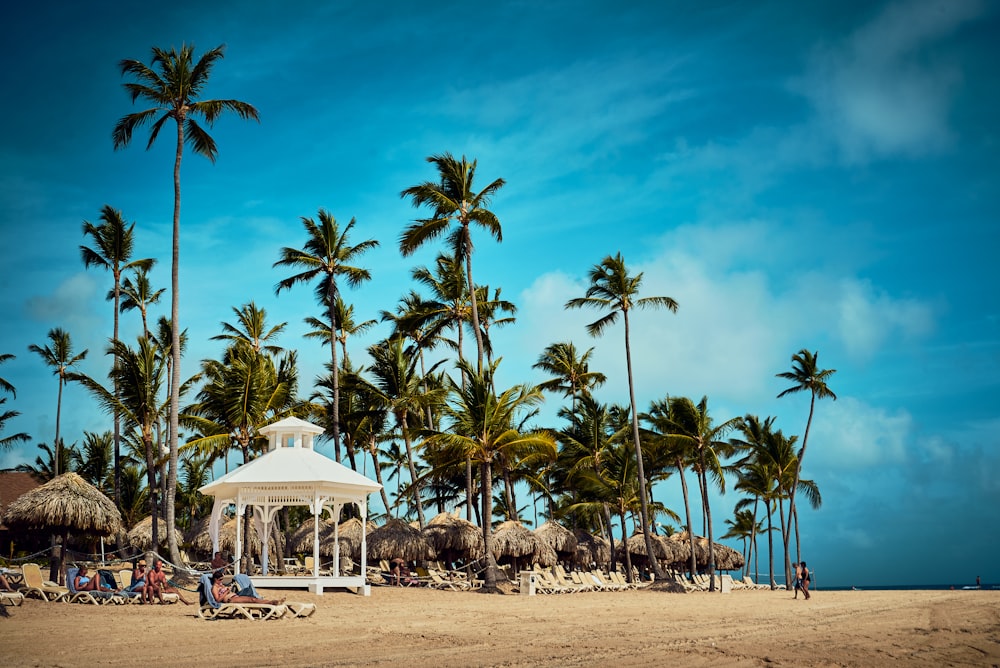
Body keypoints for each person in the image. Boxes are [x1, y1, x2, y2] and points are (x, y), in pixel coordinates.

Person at [210, 572, 283, 605]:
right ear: (215, 579)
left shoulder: (221, 585)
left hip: (235, 596)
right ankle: (271, 603)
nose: (221, 581)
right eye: (220, 579)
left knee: (254, 598)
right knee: (252, 600)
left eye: (222, 579)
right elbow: (217, 600)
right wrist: (226, 592)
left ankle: (273, 602)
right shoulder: (214, 588)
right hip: (231, 599)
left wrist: (229, 589)